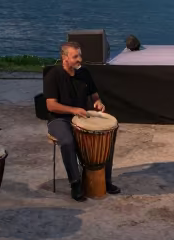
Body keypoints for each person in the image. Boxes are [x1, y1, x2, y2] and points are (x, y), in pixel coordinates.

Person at [43, 41, 120, 201]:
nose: (80, 59)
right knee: (67, 142)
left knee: (106, 137)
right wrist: (73, 110)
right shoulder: (53, 75)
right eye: (75, 56)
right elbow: (51, 105)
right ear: (65, 58)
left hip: (81, 116)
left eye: (80, 55)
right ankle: (75, 183)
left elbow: (94, 94)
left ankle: (106, 180)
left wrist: (98, 102)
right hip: (59, 119)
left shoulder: (84, 73)